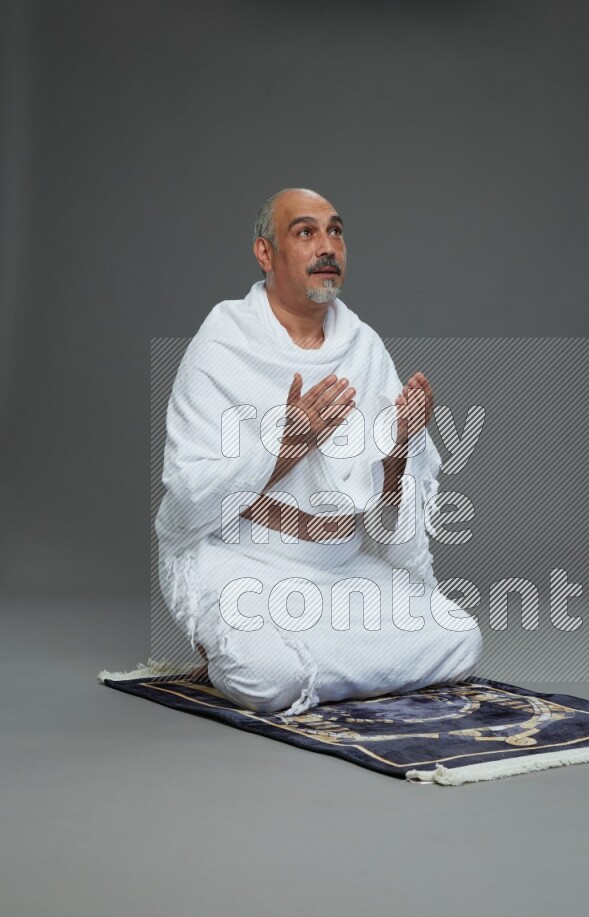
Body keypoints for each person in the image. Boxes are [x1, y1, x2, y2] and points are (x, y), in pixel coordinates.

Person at [154, 188, 482, 716]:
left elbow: (386, 516)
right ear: (265, 253)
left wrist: (400, 449)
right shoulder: (223, 342)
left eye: (336, 232)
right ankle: (294, 662)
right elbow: (187, 499)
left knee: (461, 638)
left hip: (340, 568)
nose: (327, 246)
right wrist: (286, 446)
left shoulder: (364, 346)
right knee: (270, 679)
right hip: (245, 563)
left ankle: (312, 667)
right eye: (306, 232)